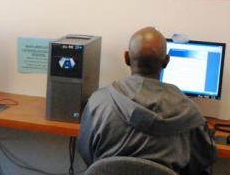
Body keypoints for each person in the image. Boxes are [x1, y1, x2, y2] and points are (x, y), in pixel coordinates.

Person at [77, 27, 216, 174]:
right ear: (167, 62)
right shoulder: (190, 112)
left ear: (126, 58)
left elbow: (86, 153)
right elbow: (205, 158)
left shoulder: (98, 102)